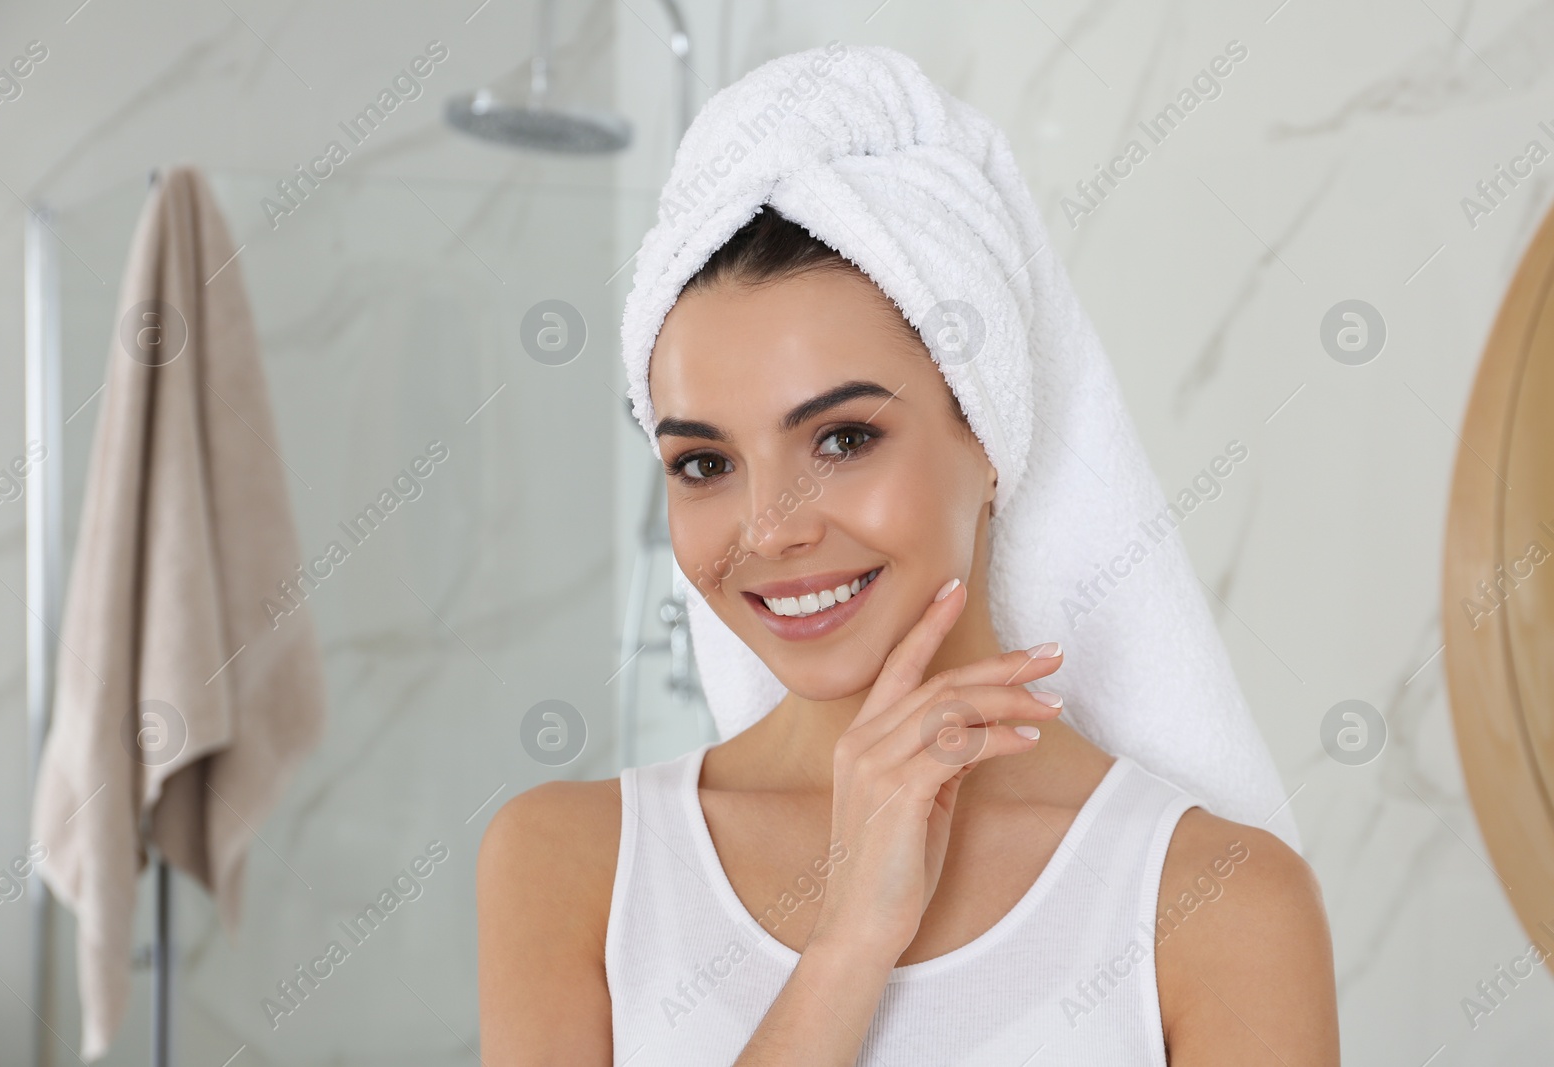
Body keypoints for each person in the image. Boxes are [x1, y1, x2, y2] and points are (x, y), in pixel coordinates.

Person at [477, 205, 1337, 1064]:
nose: (769, 529)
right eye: (705, 463)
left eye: (844, 438)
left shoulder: (1220, 903)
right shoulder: (574, 863)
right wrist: (847, 945)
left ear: (989, 436)